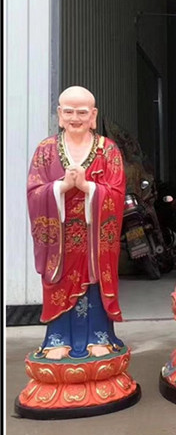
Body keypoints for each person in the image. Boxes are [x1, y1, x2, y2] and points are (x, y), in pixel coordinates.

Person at [27, 86, 126, 360]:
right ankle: (57, 338)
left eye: (82, 112)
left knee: (95, 281)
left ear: (93, 115)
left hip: (95, 239)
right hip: (60, 238)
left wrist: (87, 187)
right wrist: (60, 187)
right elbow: (34, 192)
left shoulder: (108, 150)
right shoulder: (46, 150)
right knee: (58, 281)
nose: (75, 118)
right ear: (60, 114)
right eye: (69, 112)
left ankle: (99, 336)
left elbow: (117, 193)